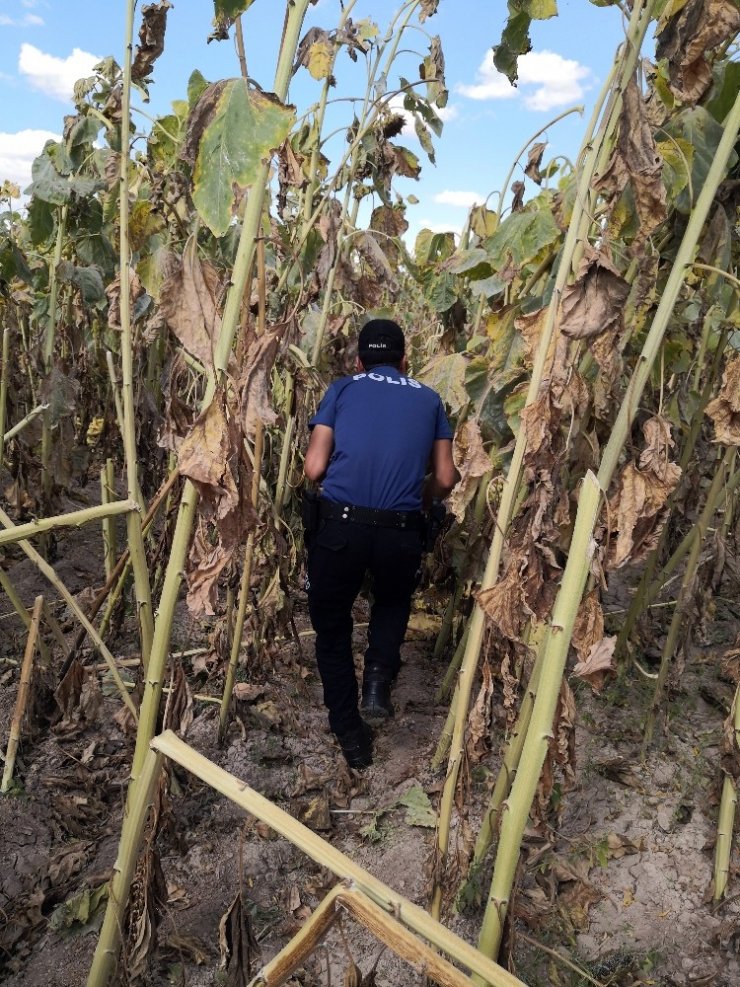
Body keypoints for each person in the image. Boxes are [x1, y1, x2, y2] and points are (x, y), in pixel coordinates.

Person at [303, 318, 457, 769]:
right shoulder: (429, 398)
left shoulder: (342, 389)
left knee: (332, 628)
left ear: (359, 361)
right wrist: (421, 494)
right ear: (405, 361)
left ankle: (351, 736)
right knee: (391, 602)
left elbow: (314, 469)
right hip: (400, 530)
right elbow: (446, 478)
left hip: (341, 527)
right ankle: (376, 683)